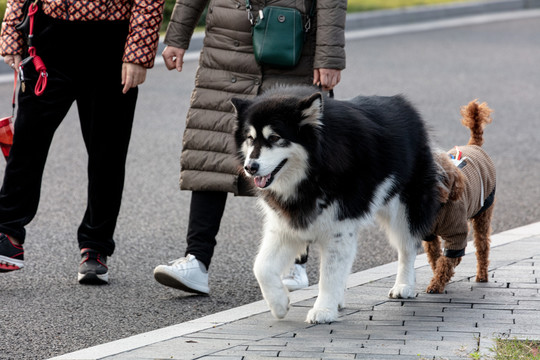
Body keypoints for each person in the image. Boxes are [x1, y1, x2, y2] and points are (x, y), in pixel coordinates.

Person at [153, 0, 346, 295]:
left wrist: (329, 56)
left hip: (293, 42)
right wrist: (177, 37)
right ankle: (197, 260)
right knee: (209, 156)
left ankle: (295, 261)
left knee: (293, 163)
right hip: (226, 47)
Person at [0, 0, 164, 284]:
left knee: (107, 152)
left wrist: (137, 52)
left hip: (110, 43)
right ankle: (7, 233)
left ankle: (95, 246)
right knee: (27, 142)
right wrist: (12, 34)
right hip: (50, 40)